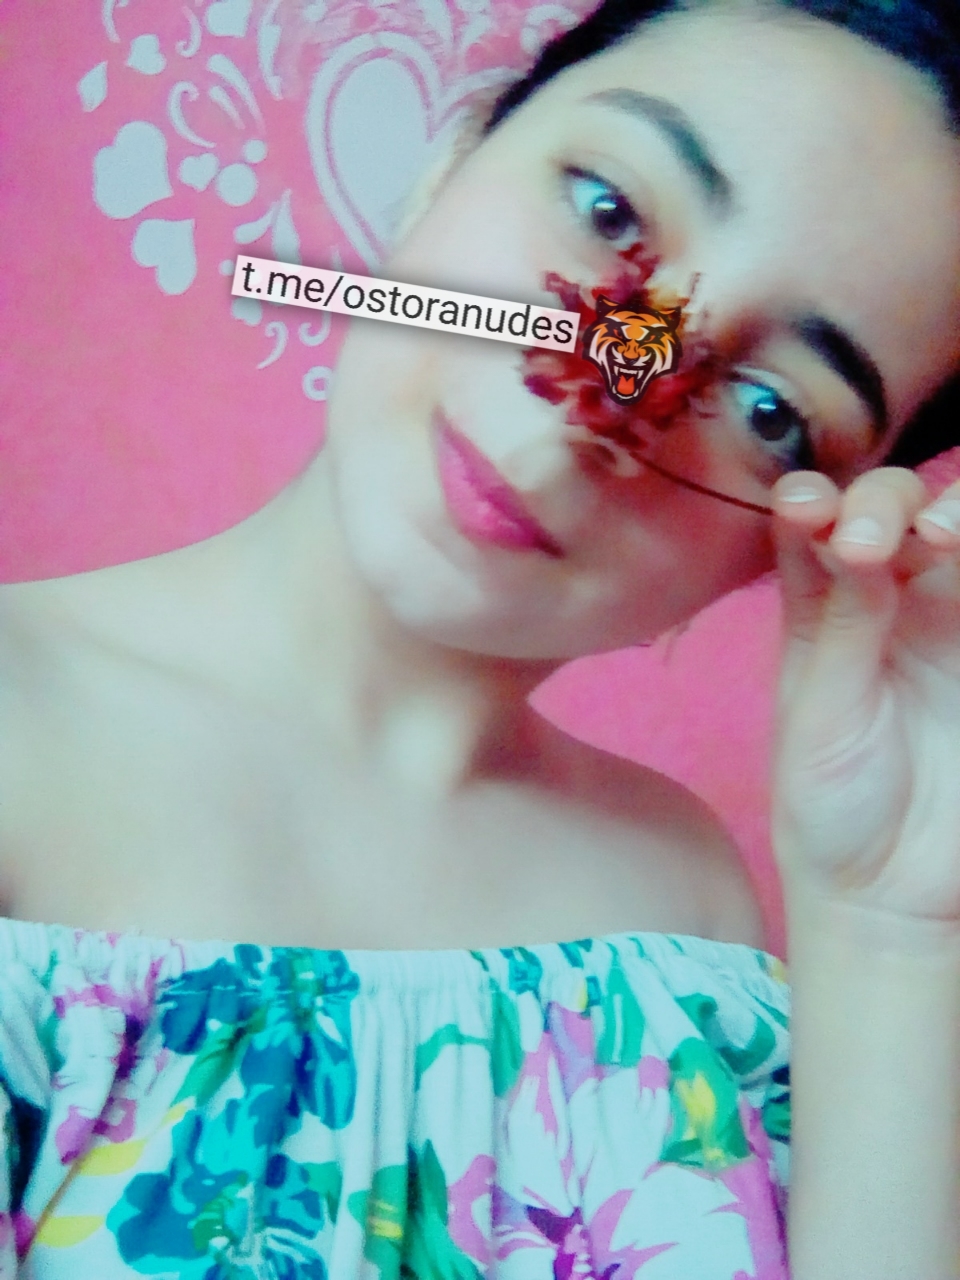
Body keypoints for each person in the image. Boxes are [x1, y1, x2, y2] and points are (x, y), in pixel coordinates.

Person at [1, 0, 960, 1274]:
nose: (606, 398)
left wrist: (890, 928)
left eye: (773, 408)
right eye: (608, 207)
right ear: (452, 159)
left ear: (797, 538)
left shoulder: (689, 915)